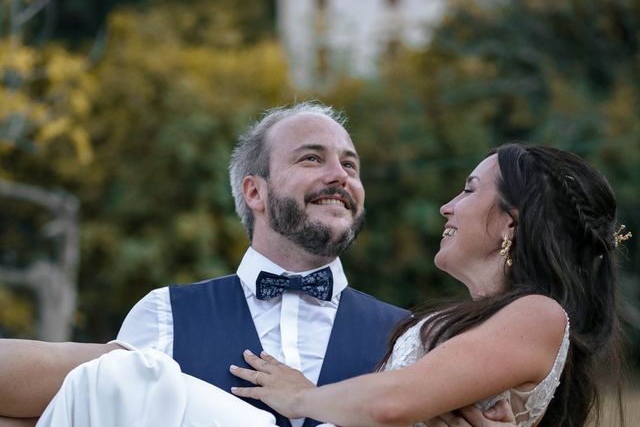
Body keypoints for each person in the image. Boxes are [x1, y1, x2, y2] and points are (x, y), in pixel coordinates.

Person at [0, 102, 513, 427]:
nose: (340, 176)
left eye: (350, 165)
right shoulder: (165, 314)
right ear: (255, 191)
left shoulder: (413, 339)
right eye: (312, 158)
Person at [228, 144, 627, 426]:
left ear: (511, 221)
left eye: (469, 189)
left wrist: (300, 397)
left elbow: (393, 403)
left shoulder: (539, 314)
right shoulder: (496, 324)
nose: (447, 206)